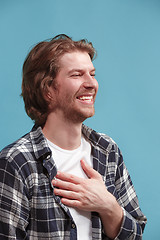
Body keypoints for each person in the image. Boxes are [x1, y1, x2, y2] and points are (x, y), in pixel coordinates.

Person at [0, 34, 147, 240]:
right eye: (77, 75)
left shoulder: (107, 150)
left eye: (92, 74)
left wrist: (108, 205)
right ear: (48, 89)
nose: (91, 84)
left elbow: (135, 234)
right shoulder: (17, 161)